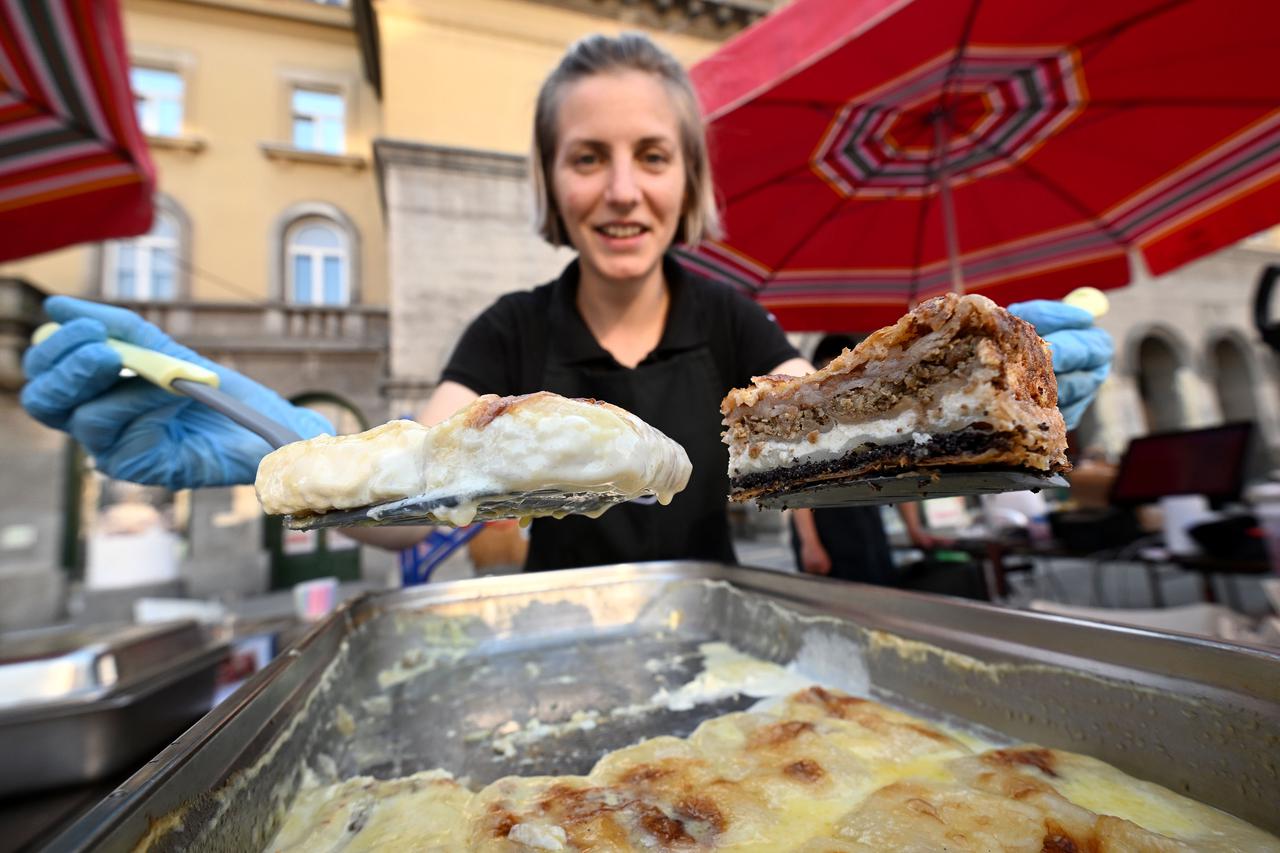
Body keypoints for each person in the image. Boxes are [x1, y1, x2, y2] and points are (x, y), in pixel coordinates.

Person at [19, 33, 1113, 573]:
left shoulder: (731, 320)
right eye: (586, 158)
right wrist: (283, 444)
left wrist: (978, 388)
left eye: (651, 156)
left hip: (725, 660)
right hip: (533, 662)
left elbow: (827, 423)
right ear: (547, 182)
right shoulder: (507, 330)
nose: (622, 191)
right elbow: (420, 494)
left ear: (688, 179)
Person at [788, 335, 948, 584]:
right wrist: (810, 543)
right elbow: (795, 486)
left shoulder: (870, 413)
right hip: (825, 526)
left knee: (877, 591)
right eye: (834, 366)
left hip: (866, 521)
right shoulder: (809, 417)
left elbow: (897, 469)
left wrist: (914, 530)